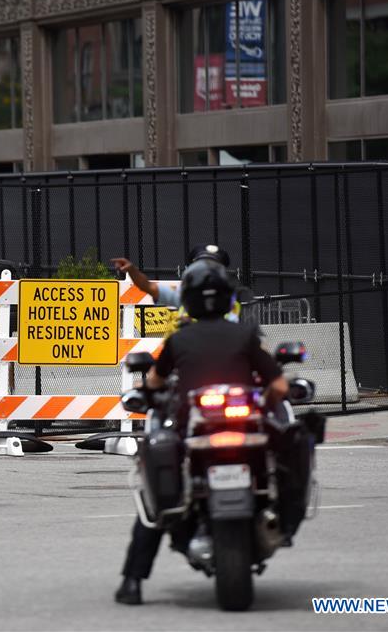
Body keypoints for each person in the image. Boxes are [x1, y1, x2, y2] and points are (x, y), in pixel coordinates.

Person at [114, 258, 289, 605]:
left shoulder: (179, 339)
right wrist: (265, 404)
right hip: (243, 419)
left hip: (192, 424)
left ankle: (132, 581)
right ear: (227, 297)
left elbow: (153, 381)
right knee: (279, 447)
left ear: (189, 299)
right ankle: (278, 509)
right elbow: (280, 385)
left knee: (154, 493)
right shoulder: (245, 333)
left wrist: (151, 394)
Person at [111, 244, 231, 309]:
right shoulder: (185, 298)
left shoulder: (185, 298)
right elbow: (148, 286)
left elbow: (148, 287)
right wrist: (132, 270)